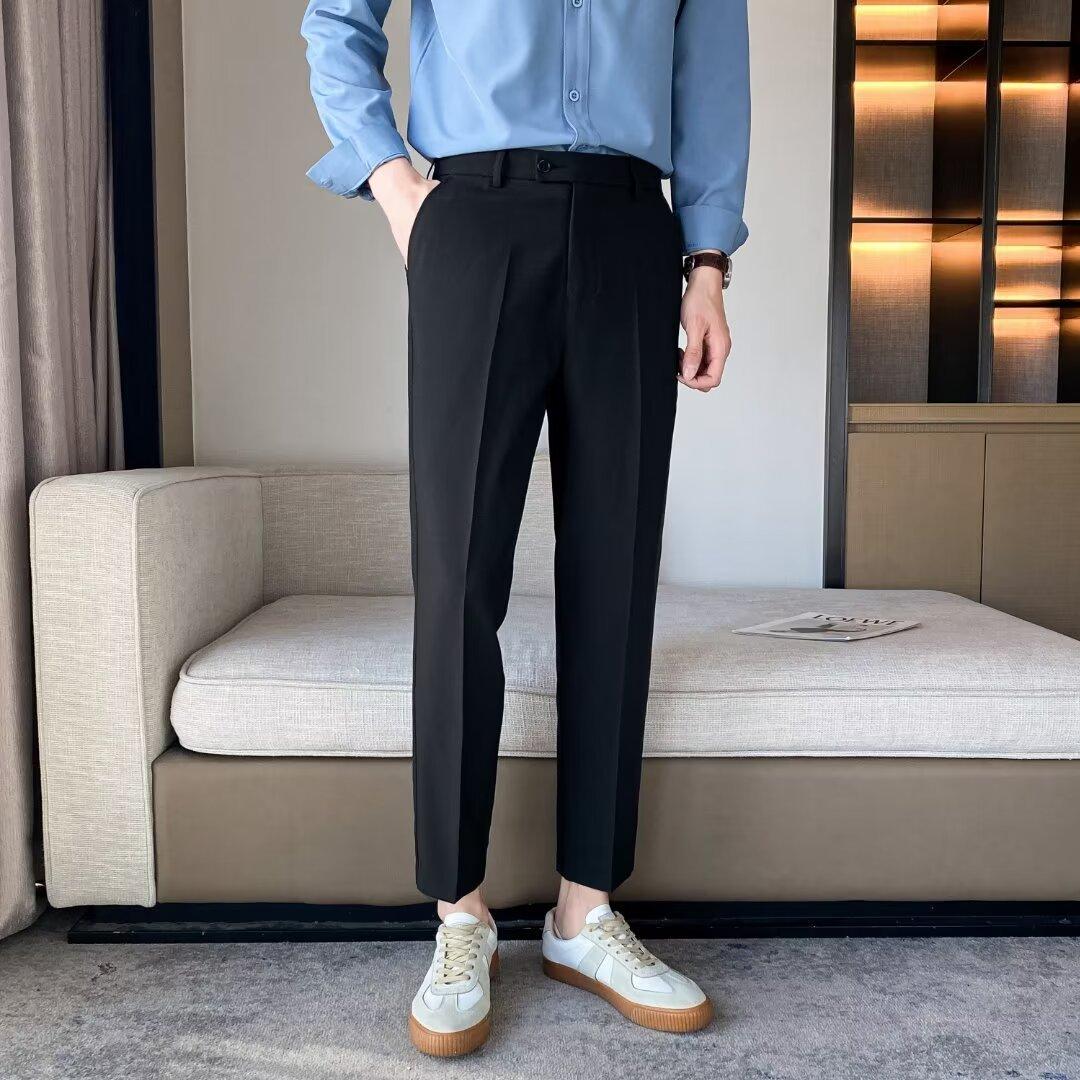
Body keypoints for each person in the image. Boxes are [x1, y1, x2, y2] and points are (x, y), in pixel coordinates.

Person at [301, 0, 750, 1057]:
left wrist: (708, 263)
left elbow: (712, 78)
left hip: (632, 229)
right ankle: (459, 915)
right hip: (474, 217)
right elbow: (336, 20)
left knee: (615, 577)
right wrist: (394, 184)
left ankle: (583, 914)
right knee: (458, 576)